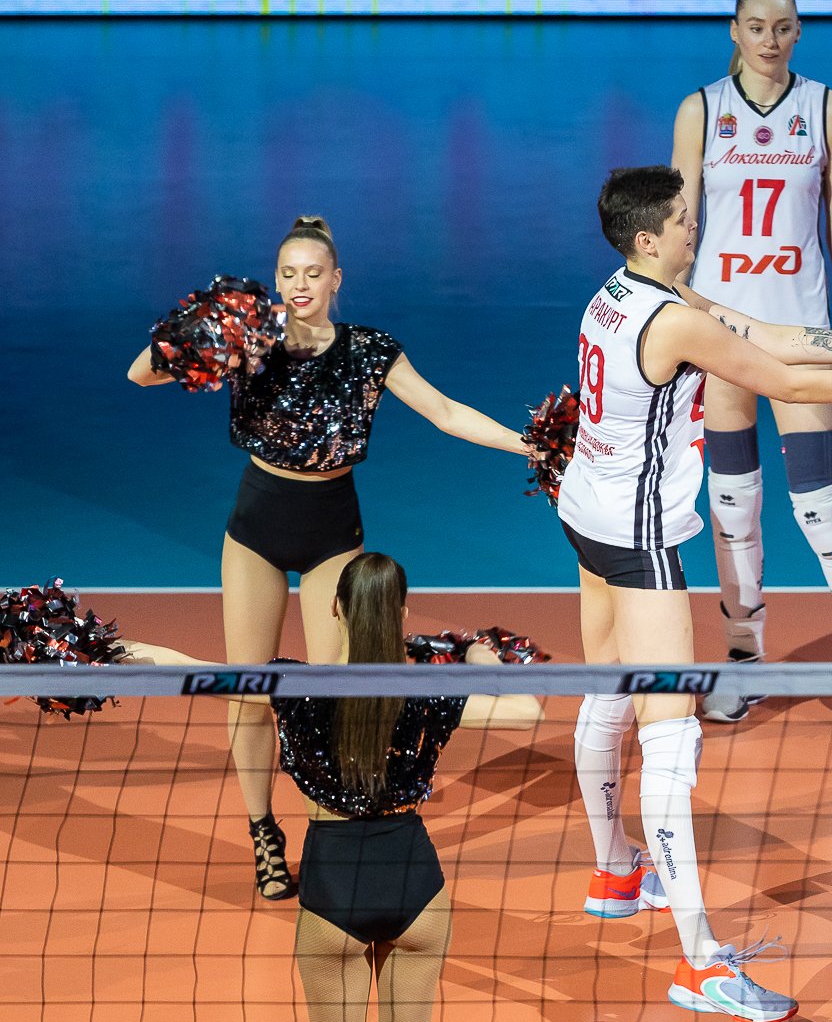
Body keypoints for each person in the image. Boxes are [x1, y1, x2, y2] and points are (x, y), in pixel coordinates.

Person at [562, 165, 832, 1022]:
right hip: (638, 540)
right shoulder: (673, 321)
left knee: (607, 689)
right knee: (671, 739)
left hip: (585, 511)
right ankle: (701, 964)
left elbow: (771, 334)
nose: (695, 228)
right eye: (683, 221)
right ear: (648, 238)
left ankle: (615, 871)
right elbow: (788, 381)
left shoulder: (619, 295)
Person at [125, 216, 532, 902]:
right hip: (256, 529)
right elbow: (141, 373)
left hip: (333, 533)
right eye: (288, 274)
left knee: (342, 694)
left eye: (313, 273)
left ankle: (328, 830)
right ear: (275, 279)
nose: (300, 284)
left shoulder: (370, 350)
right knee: (248, 691)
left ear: (336, 279)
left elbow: (444, 412)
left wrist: (530, 446)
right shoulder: (249, 343)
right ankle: (263, 831)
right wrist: (209, 326)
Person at [123, 552, 544, 1022]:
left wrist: (113, 651)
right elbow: (528, 711)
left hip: (332, 891)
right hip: (416, 887)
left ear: (335, 608)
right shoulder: (430, 692)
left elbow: (191, 672)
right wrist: (479, 659)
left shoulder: (293, 686)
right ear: (401, 614)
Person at [670, 0, 832, 737]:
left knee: (820, 506)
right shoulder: (700, 110)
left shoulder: (828, 108)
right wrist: (672, 321)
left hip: (801, 338)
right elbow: (678, 229)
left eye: (783, 27)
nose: (770, 40)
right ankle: (743, 661)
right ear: (733, 31)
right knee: (731, 508)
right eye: (756, 26)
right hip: (718, 335)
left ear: (799, 32)